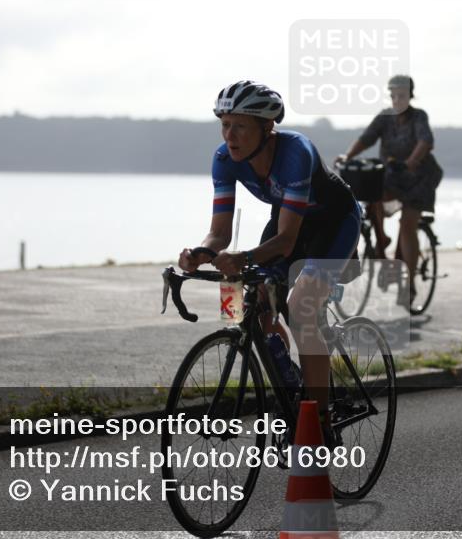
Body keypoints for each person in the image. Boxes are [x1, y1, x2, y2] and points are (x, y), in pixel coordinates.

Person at [178, 79, 360, 441]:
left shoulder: (295, 152)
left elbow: (288, 242)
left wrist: (243, 257)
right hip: (285, 222)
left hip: (332, 224)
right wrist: (200, 253)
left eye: (240, 126)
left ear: (267, 128)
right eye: (225, 125)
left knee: (302, 308)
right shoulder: (224, 159)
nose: (230, 136)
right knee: (247, 307)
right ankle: (288, 382)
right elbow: (219, 233)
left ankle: (320, 421)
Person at [337, 75, 443, 307]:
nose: (397, 100)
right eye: (393, 96)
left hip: (420, 178)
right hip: (393, 176)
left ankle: (409, 285)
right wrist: (347, 156)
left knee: (407, 225)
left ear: (410, 96)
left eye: (401, 96)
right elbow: (366, 139)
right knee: (371, 193)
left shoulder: (418, 116)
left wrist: (412, 161)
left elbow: (425, 142)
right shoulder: (384, 117)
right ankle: (382, 238)